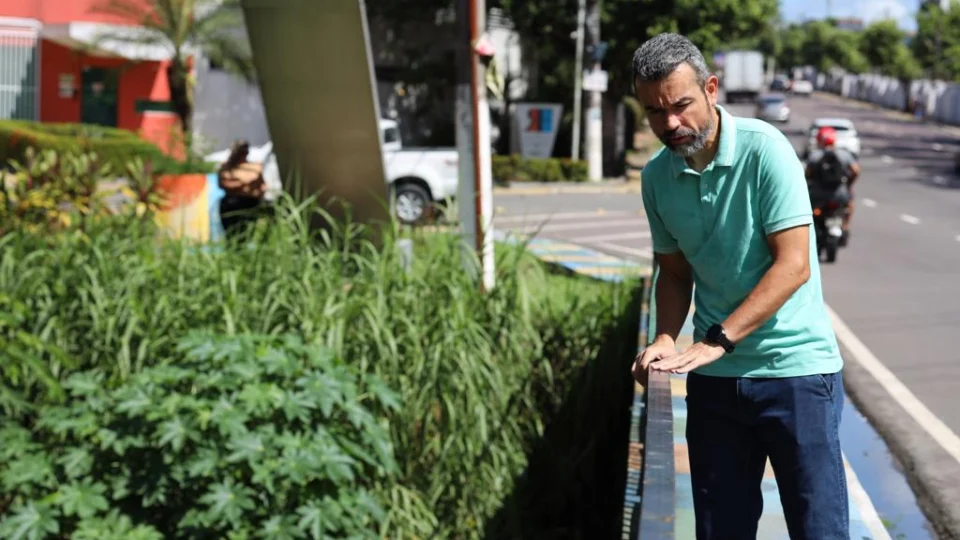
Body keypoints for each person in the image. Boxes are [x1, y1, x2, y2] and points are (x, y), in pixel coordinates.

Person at [630, 33, 848, 540]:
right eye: (654, 112)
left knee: (821, 531)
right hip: (715, 385)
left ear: (711, 88)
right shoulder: (657, 177)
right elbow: (675, 270)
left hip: (797, 374)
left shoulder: (765, 150)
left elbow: (793, 266)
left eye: (680, 105)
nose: (670, 123)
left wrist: (716, 339)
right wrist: (666, 337)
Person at [806, 126, 859, 245]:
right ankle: (845, 227)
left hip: (818, 194)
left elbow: (807, 174)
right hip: (840, 193)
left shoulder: (815, 155)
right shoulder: (844, 155)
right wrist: (848, 185)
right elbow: (856, 171)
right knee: (849, 205)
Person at [217, 139, 266, 238]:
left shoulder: (254, 166)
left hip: (251, 202)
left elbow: (262, 185)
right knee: (232, 234)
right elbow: (223, 183)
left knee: (248, 233)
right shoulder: (227, 167)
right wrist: (244, 183)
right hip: (232, 203)